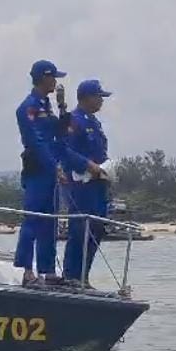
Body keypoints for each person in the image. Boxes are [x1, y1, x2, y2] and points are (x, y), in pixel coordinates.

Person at [13, 59, 98, 286]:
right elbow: (37, 142)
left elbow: (59, 133)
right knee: (33, 219)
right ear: (44, 78)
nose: (56, 82)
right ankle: (26, 270)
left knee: (49, 222)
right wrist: (55, 166)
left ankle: (48, 271)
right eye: (54, 78)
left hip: (51, 170)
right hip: (37, 170)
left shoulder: (45, 106)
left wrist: (62, 106)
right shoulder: (28, 108)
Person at [63, 79, 113, 286]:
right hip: (81, 185)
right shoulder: (74, 121)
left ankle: (84, 276)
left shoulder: (94, 123)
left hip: (98, 185)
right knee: (80, 230)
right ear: (87, 98)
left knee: (97, 229)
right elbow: (65, 151)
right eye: (99, 97)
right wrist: (87, 165)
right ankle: (71, 277)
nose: (101, 101)